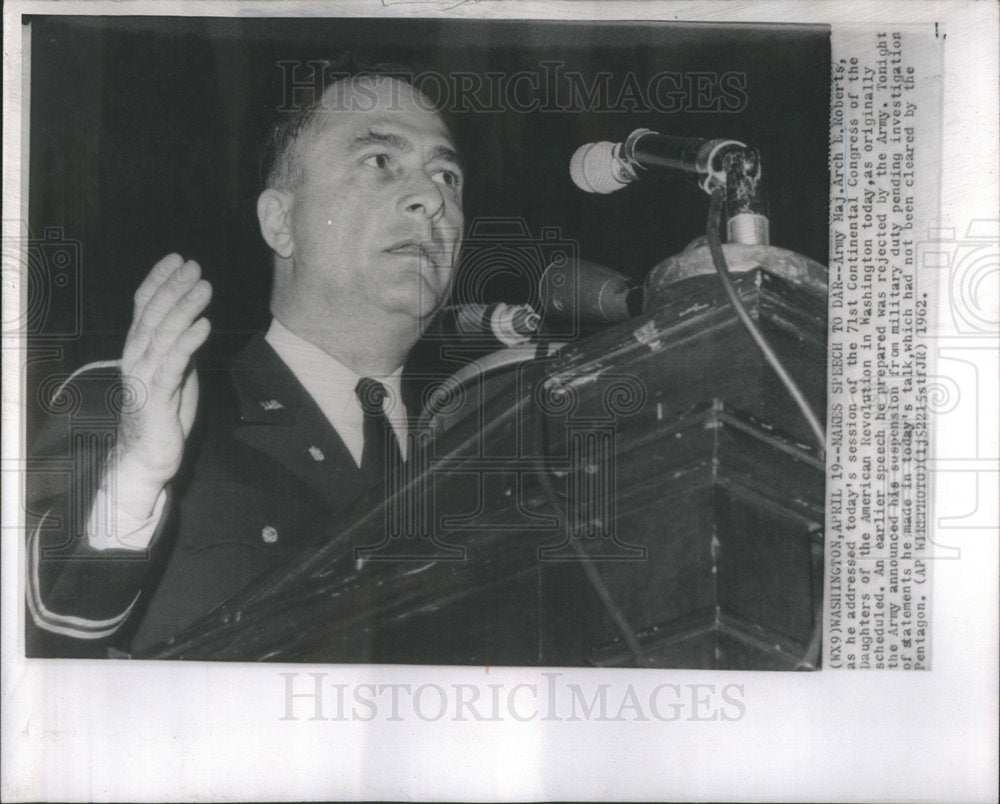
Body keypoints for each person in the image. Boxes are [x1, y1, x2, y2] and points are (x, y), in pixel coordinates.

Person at [27, 57, 465, 656]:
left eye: (447, 175)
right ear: (281, 223)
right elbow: (31, 655)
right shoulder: (148, 403)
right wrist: (135, 481)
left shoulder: (494, 445)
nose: (430, 199)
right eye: (380, 161)